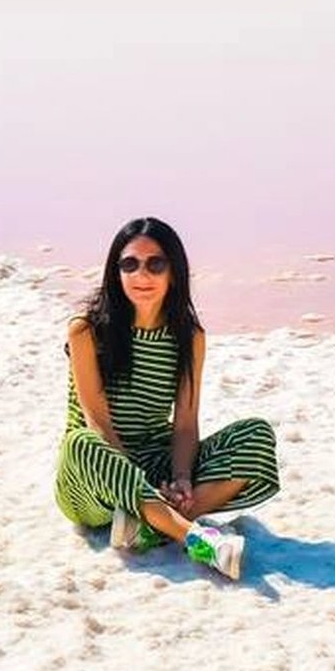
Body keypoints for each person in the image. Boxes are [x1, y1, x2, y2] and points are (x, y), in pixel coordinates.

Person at [55, 216, 280, 579]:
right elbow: (98, 421)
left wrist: (182, 479)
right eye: (129, 264)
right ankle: (195, 538)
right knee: (80, 441)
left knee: (256, 436)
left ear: (174, 272)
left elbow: (186, 423)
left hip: (155, 465)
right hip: (94, 476)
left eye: (155, 264)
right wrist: (136, 481)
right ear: (116, 273)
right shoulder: (86, 330)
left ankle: (148, 525)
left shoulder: (189, 337)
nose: (141, 275)